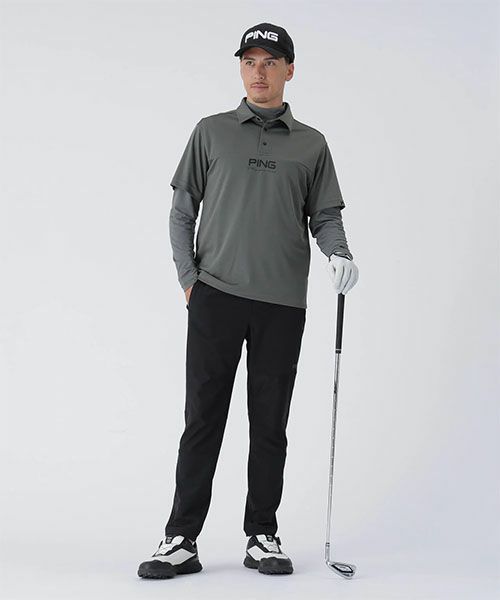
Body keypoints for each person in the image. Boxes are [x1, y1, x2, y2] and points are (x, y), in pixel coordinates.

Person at [137, 21, 359, 580]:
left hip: (282, 303)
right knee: (202, 418)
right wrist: (190, 280)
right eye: (249, 61)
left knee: (270, 422)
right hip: (215, 294)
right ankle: (181, 538)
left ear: (289, 70)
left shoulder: (312, 144)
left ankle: (262, 533)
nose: (258, 72)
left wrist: (339, 253)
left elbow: (325, 215)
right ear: (240, 68)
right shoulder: (211, 131)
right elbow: (182, 210)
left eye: (270, 62)